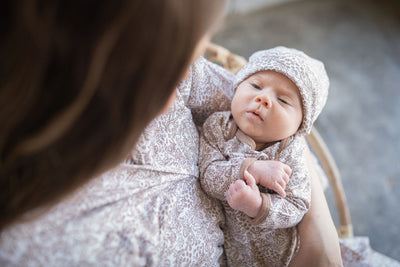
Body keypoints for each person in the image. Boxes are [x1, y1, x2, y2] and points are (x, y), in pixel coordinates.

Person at [0, 0, 342, 266]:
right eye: (164, 77)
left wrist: (320, 244)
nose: (175, 91)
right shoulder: (42, 247)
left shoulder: (182, 78)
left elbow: (272, 110)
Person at [199, 47, 330, 266]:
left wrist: (259, 205)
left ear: (300, 125)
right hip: (235, 252)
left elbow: (297, 205)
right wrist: (250, 169)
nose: (263, 98)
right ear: (238, 86)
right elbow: (208, 175)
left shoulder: (291, 151)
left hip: (285, 255)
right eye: (256, 85)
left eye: (284, 101)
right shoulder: (219, 127)